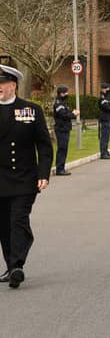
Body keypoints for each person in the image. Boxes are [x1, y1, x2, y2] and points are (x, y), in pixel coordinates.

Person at [0, 65, 53, 288]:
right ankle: (12, 267)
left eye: (2, 84)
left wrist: (43, 173)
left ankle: (17, 264)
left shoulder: (31, 110)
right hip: (0, 179)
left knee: (18, 220)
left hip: (24, 178)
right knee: (4, 225)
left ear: (13, 85)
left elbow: (44, 145)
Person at [53, 85, 79, 176]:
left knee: (64, 149)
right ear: (61, 93)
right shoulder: (58, 103)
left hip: (65, 128)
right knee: (62, 148)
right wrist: (73, 114)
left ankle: (62, 168)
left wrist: (72, 113)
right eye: (66, 92)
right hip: (61, 128)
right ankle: (59, 169)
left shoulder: (63, 103)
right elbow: (63, 115)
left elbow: (66, 113)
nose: (67, 94)